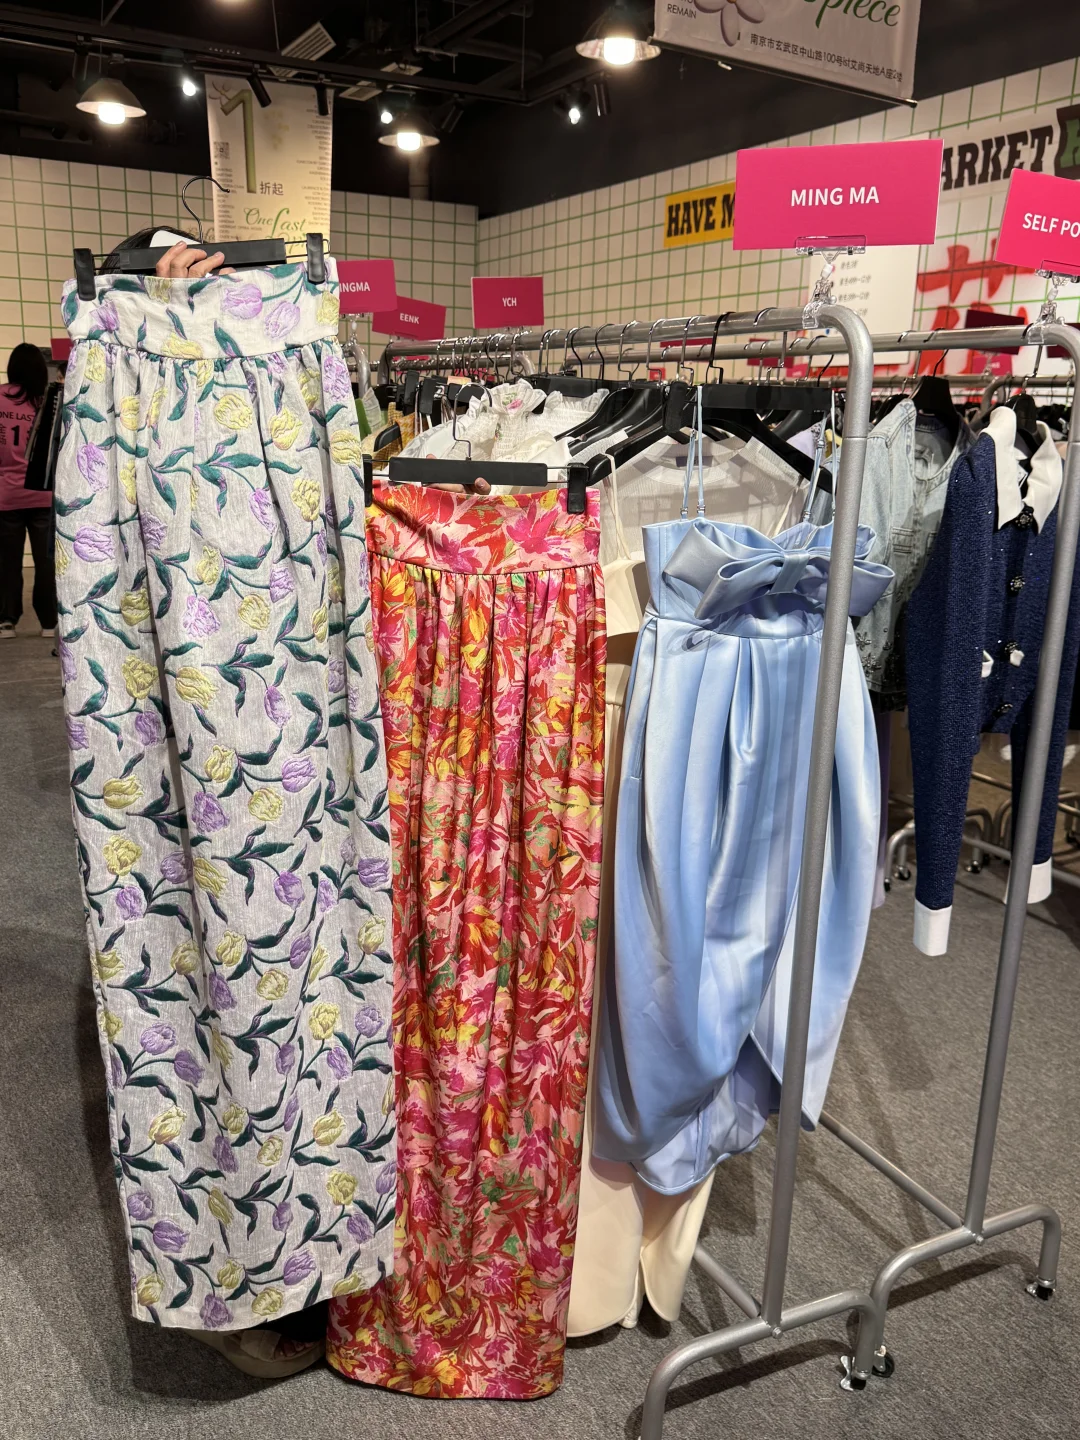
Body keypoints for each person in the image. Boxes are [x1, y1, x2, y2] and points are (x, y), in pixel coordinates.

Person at [0, 343, 57, 639]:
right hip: (43, 494)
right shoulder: (46, 401)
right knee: (46, 562)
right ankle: (49, 622)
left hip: (6, 494)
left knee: (7, 562)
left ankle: (6, 621)